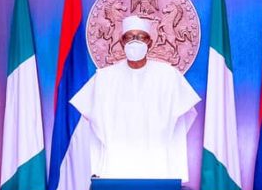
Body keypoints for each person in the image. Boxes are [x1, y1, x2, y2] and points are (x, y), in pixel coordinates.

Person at [70, 15, 200, 181]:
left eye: (140, 37)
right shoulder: (104, 77)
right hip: (116, 164)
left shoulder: (168, 75)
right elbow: (88, 115)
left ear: (150, 43)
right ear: (122, 42)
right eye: (129, 37)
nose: (134, 41)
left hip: (157, 162)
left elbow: (185, 115)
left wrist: (163, 138)